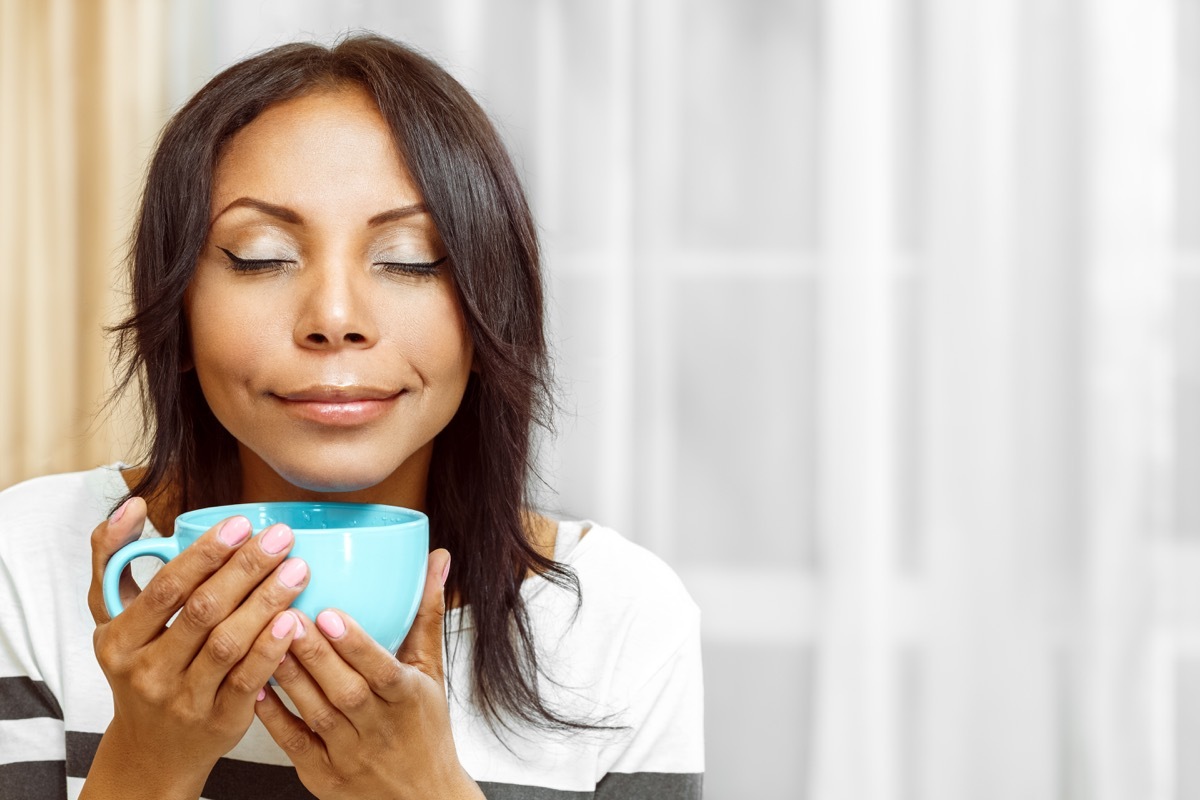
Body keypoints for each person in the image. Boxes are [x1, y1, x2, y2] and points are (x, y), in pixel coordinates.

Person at [0, 34, 703, 800]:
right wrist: (148, 762)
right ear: (176, 319)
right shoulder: (31, 564)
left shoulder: (618, 617)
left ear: (487, 311)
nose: (335, 319)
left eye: (409, 258)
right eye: (261, 256)